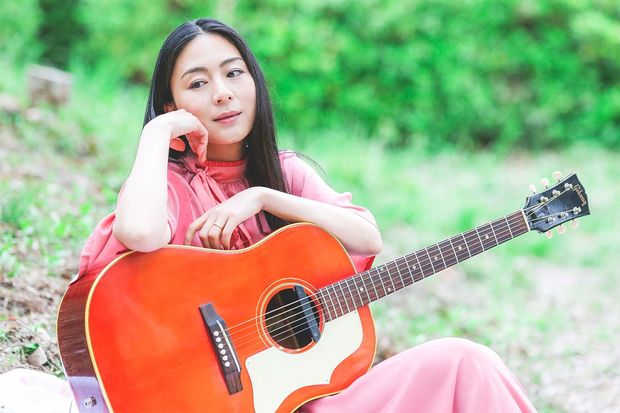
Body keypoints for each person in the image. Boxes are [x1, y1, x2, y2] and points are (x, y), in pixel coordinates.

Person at [76, 18, 536, 413]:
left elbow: (367, 237)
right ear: (173, 106)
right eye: (198, 83)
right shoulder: (168, 185)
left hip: (306, 403)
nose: (222, 93)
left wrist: (264, 197)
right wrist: (157, 133)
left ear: (255, 83)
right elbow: (138, 232)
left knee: (466, 360)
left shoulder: (285, 174)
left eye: (234, 73)